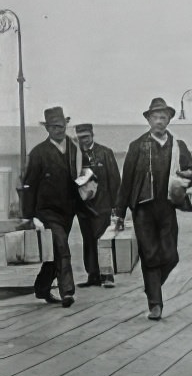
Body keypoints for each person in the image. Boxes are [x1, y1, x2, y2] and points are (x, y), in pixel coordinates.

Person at [112, 97, 192, 321]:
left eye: (164, 117)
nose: (160, 121)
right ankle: (155, 304)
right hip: (143, 209)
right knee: (149, 255)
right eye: (155, 117)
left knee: (171, 256)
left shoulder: (178, 145)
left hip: (167, 207)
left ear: (169, 120)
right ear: (149, 119)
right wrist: (119, 214)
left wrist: (188, 176)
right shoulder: (138, 146)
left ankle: (153, 287)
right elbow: (127, 181)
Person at [20, 106, 81, 308]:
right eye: (54, 126)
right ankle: (68, 292)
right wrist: (28, 215)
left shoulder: (75, 148)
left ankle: (42, 287)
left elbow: (86, 171)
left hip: (68, 210)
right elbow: (28, 185)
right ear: (47, 128)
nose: (59, 129)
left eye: (62, 125)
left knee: (54, 251)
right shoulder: (38, 153)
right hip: (46, 211)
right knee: (62, 246)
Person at [74, 123, 121, 288]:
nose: (84, 141)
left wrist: (116, 205)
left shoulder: (105, 153)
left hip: (102, 205)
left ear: (92, 135)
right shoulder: (75, 156)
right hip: (83, 207)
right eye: (80, 138)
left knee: (103, 240)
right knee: (88, 241)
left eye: (86, 137)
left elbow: (115, 179)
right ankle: (92, 275)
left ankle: (107, 275)